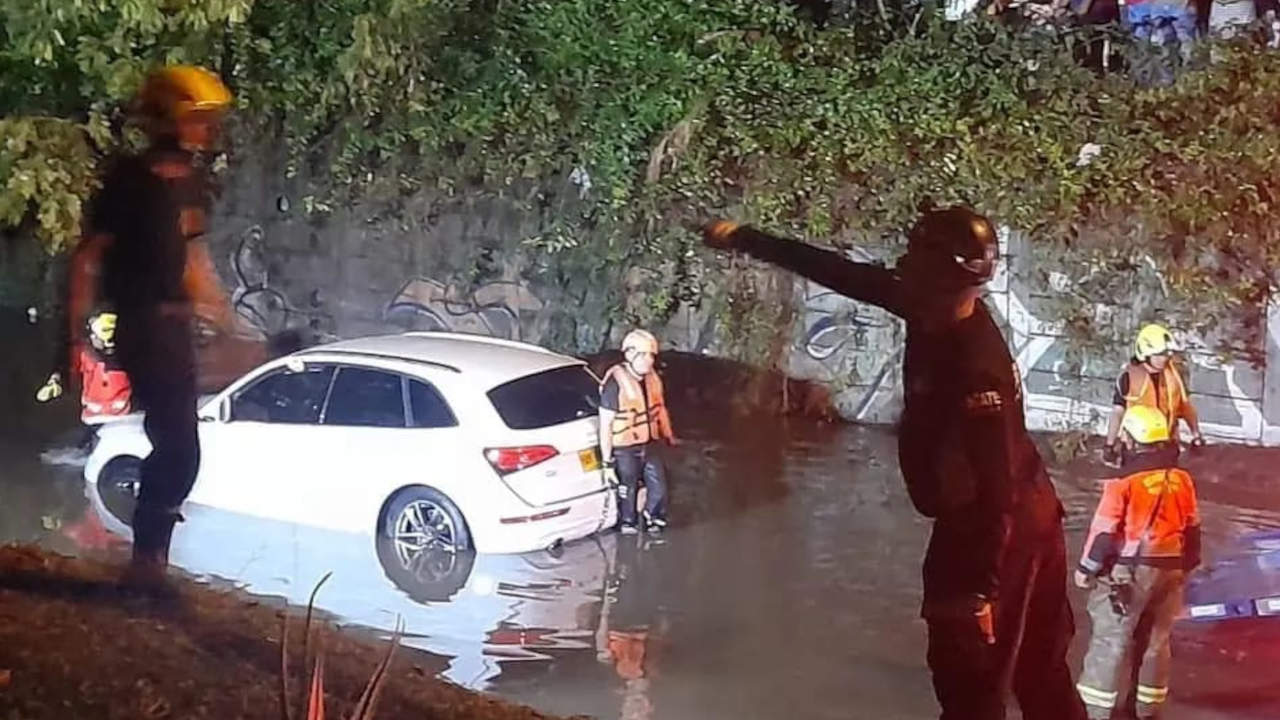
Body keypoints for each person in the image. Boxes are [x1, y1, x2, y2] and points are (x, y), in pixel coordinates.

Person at [701, 207, 1086, 720]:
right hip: (1027, 517)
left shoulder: (975, 369)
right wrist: (747, 238)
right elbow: (845, 274)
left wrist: (982, 590)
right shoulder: (934, 304)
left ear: (935, 276)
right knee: (1039, 673)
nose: (902, 280)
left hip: (995, 530)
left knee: (972, 683)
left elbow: (998, 488)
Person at [86, 64, 233, 590]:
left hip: (171, 326)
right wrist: (71, 338)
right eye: (199, 119)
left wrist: (228, 319)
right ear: (171, 118)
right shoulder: (130, 181)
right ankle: (146, 567)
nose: (208, 130)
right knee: (177, 446)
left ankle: (151, 562)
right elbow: (89, 257)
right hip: (145, 324)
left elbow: (193, 255)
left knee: (178, 445)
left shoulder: (187, 183)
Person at [1075, 405, 1201, 719]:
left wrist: (1085, 569)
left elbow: (1104, 532)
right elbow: (1193, 529)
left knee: (1111, 638)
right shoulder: (1182, 479)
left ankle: (1093, 711)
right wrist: (1186, 567)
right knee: (1157, 640)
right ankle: (1147, 709)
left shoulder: (1124, 482)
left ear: (1130, 440)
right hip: (1172, 568)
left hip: (1131, 571)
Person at [599, 329, 678, 536]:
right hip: (624, 447)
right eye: (642, 355)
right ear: (629, 354)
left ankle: (654, 516)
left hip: (649, 441)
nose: (648, 360)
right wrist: (607, 464)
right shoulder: (615, 384)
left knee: (659, 486)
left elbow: (659, 409)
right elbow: (605, 425)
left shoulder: (652, 379)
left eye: (651, 355)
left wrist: (669, 436)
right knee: (628, 488)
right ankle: (628, 523)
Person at [1102, 323, 1204, 467]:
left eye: (1166, 354)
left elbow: (1185, 406)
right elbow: (1118, 411)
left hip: (1168, 446)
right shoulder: (1128, 377)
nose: (1164, 358)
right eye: (1159, 354)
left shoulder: (1174, 375)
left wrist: (1196, 435)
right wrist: (1109, 444)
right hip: (1137, 450)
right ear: (1145, 354)